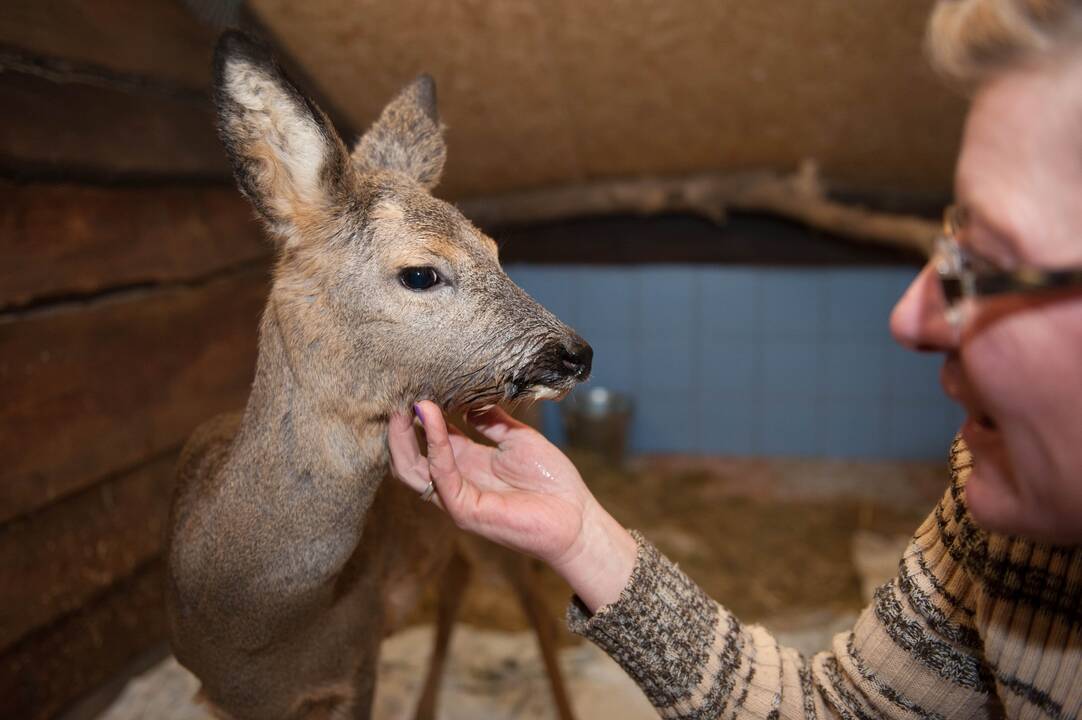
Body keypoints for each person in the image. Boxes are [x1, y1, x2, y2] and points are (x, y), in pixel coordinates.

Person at [388, 0, 1082, 716]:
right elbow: (835, 710)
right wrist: (581, 535)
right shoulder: (1000, 524)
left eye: (991, 263)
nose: (909, 316)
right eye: (948, 245)